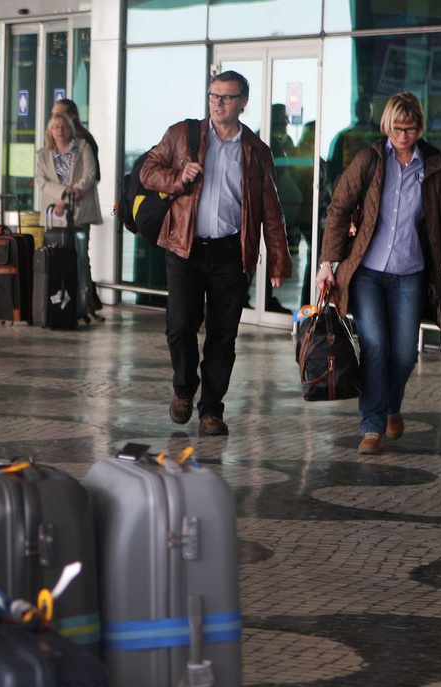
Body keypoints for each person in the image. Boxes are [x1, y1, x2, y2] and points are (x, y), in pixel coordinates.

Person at [139, 70, 291, 436]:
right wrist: (178, 177)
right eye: (213, 96)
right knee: (179, 327)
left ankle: (211, 410)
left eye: (226, 97)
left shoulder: (256, 151)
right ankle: (182, 389)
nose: (218, 104)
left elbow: (270, 208)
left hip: (229, 252)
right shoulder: (183, 135)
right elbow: (147, 171)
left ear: (243, 103)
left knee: (223, 336)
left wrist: (278, 258)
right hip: (183, 247)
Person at [316, 91, 441, 456]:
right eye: (397, 128)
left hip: (411, 274)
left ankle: (392, 405)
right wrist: (327, 264)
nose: (403, 136)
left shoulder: (431, 164)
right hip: (367, 273)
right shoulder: (370, 159)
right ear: (387, 125)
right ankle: (372, 426)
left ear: (420, 128)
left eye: (411, 129)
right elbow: (338, 208)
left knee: (404, 355)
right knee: (376, 347)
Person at [34, 113, 102, 320]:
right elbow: (42, 181)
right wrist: (63, 196)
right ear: (50, 131)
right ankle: (58, 303)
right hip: (54, 214)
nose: (60, 130)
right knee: (56, 258)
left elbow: (90, 175)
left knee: (80, 258)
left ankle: (84, 305)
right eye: (55, 127)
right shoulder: (43, 154)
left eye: (63, 126)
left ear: (70, 129)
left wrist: (69, 197)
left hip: (79, 210)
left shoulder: (82, 147)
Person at [326, 95, 379, 194]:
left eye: (368, 109)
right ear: (356, 112)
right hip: (350, 187)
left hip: (375, 186)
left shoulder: (380, 135)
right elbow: (335, 166)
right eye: (362, 110)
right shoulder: (344, 137)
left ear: (372, 110)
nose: (365, 113)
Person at [52, 98, 100, 181]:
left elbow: (92, 174)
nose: (54, 118)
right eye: (53, 114)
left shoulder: (83, 139)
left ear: (72, 116)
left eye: (59, 114)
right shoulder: (56, 137)